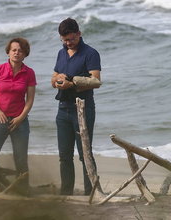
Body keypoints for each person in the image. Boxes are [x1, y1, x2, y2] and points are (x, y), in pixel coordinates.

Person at [51, 18, 102, 195]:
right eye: (64, 40)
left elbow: (96, 81)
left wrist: (71, 83)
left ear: (79, 34)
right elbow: (54, 77)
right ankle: (66, 193)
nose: (68, 43)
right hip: (63, 108)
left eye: (71, 39)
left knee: (84, 153)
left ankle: (92, 192)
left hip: (83, 109)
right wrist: (58, 81)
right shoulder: (61, 53)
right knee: (64, 156)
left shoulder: (90, 53)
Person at [0, 37, 36, 194]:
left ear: (25, 54)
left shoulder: (29, 73)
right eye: (14, 50)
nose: (16, 53)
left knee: (21, 160)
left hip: (19, 121)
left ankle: (23, 191)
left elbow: (30, 100)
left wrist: (21, 117)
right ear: (8, 52)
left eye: (20, 51)